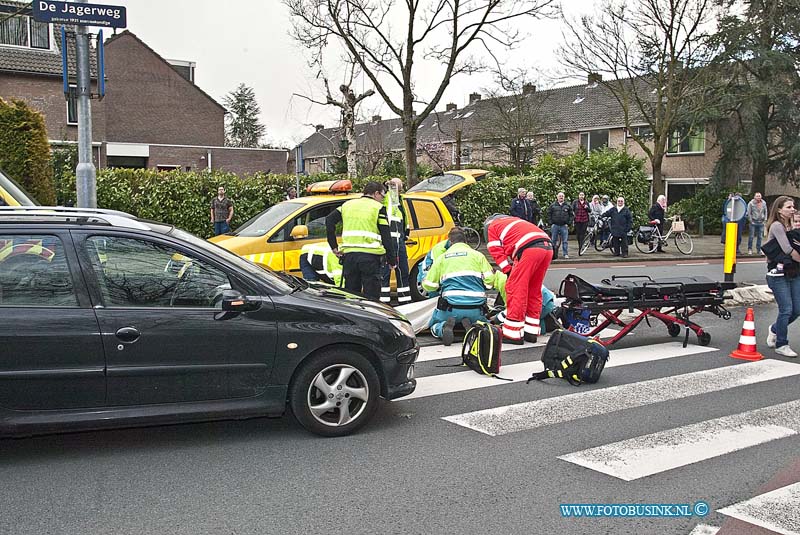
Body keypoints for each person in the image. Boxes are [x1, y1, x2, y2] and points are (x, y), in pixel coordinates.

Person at [486, 215, 553, 344]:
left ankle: (513, 333)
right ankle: (531, 332)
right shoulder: (514, 221)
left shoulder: (492, 227)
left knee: (516, 288)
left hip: (529, 249)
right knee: (534, 290)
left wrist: (508, 270)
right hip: (547, 247)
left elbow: (496, 251)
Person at [422, 227, 495, 346]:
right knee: (484, 323)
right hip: (476, 308)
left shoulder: (442, 258)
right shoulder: (478, 256)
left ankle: (442, 327)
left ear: (450, 242)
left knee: (434, 324)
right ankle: (473, 327)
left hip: (451, 308)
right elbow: (490, 282)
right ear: (465, 241)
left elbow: (429, 286)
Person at [326, 181, 396, 301]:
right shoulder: (378, 208)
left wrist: (334, 246)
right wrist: (391, 259)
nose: (383, 200)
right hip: (370, 258)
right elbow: (386, 235)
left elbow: (329, 220)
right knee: (372, 297)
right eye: (382, 196)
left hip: (350, 257)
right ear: (376, 193)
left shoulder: (347, 205)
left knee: (352, 295)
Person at [763, 195, 800, 357]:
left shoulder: (792, 225)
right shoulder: (777, 226)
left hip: (793, 271)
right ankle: (781, 344)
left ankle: (775, 329)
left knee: (797, 309)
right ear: (779, 210)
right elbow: (787, 249)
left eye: (793, 207)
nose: (793, 210)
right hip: (777, 274)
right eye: (789, 207)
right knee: (786, 309)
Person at [381, 178, 411, 304]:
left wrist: (406, 233)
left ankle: (403, 301)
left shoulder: (400, 199)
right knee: (388, 273)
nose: (401, 188)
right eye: (400, 185)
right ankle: (386, 302)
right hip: (392, 241)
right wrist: (391, 186)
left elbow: (404, 220)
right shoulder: (391, 197)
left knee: (402, 273)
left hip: (399, 240)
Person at [547, 191, 573, 259]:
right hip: (555, 225)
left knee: (565, 241)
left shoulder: (568, 205)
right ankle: (552, 254)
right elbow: (549, 214)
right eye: (560, 196)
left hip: (564, 225)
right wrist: (551, 222)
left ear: (564, 197)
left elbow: (571, 215)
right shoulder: (553, 205)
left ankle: (565, 254)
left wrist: (569, 223)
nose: (561, 197)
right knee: (553, 240)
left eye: (562, 196)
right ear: (557, 197)